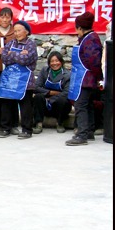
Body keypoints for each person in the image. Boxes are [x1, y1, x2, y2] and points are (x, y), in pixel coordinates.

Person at [66, 11, 103, 146]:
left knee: (80, 105)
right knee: (88, 105)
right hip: (84, 79)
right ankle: (89, 132)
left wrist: (98, 78)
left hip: (86, 79)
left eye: (77, 29)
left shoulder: (90, 39)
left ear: (80, 28)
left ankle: (82, 135)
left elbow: (94, 62)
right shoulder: (88, 38)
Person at [0, 20, 38, 139]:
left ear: (26, 32)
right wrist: (19, 54)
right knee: (7, 102)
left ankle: (26, 129)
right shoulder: (11, 43)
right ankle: (5, 128)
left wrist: (12, 53)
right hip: (10, 79)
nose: (17, 33)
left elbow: (27, 59)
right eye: (15, 31)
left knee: (25, 105)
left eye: (19, 30)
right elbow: (4, 58)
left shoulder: (31, 44)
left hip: (25, 81)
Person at [33, 51, 72, 134]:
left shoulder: (67, 75)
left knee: (63, 100)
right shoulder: (45, 71)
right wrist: (50, 92)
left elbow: (66, 92)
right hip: (46, 105)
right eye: (52, 61)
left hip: (59, 106)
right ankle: (38, 123)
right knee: (38, 97)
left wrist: (51, 100)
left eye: (57, 61)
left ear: (61, 62)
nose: (54, 63)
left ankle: (60, 123)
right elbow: (36, 87)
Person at [0, 7, 16, 133]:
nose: (5, 19)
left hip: (11, 70)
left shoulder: (15, 32)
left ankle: (13, 123)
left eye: (7, 17)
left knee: (12, 96)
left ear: (11, 18)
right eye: (2, 17)